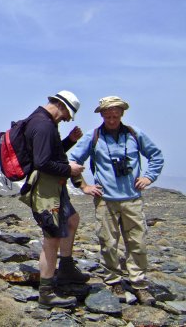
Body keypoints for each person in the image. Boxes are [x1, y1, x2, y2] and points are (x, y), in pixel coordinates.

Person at [69, 96, 164, 305]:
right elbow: (73, 161)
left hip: (132, 199)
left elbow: (156, 156)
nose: (112, 119)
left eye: (116, 115)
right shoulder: (93, 137)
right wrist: (84, 186)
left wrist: (149, 176)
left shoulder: (134, 134)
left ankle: (139, 283)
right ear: (101, 115)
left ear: (122, 113)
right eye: (108, 115)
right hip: (105, 200)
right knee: (108, 242)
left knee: (137, 242)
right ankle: (113, 281)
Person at [19, 90, 89, 308]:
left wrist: (69, 141)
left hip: (53, 188)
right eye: (68, 114)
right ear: (61, 105)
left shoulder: (42, 121)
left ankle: (66, 268)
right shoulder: (44, 125)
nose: (67, 119)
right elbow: (43, 162)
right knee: (52, 238)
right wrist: (70, 169)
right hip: (46, 191)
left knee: (72, 220)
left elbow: (48, 153)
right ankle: (46, 293)